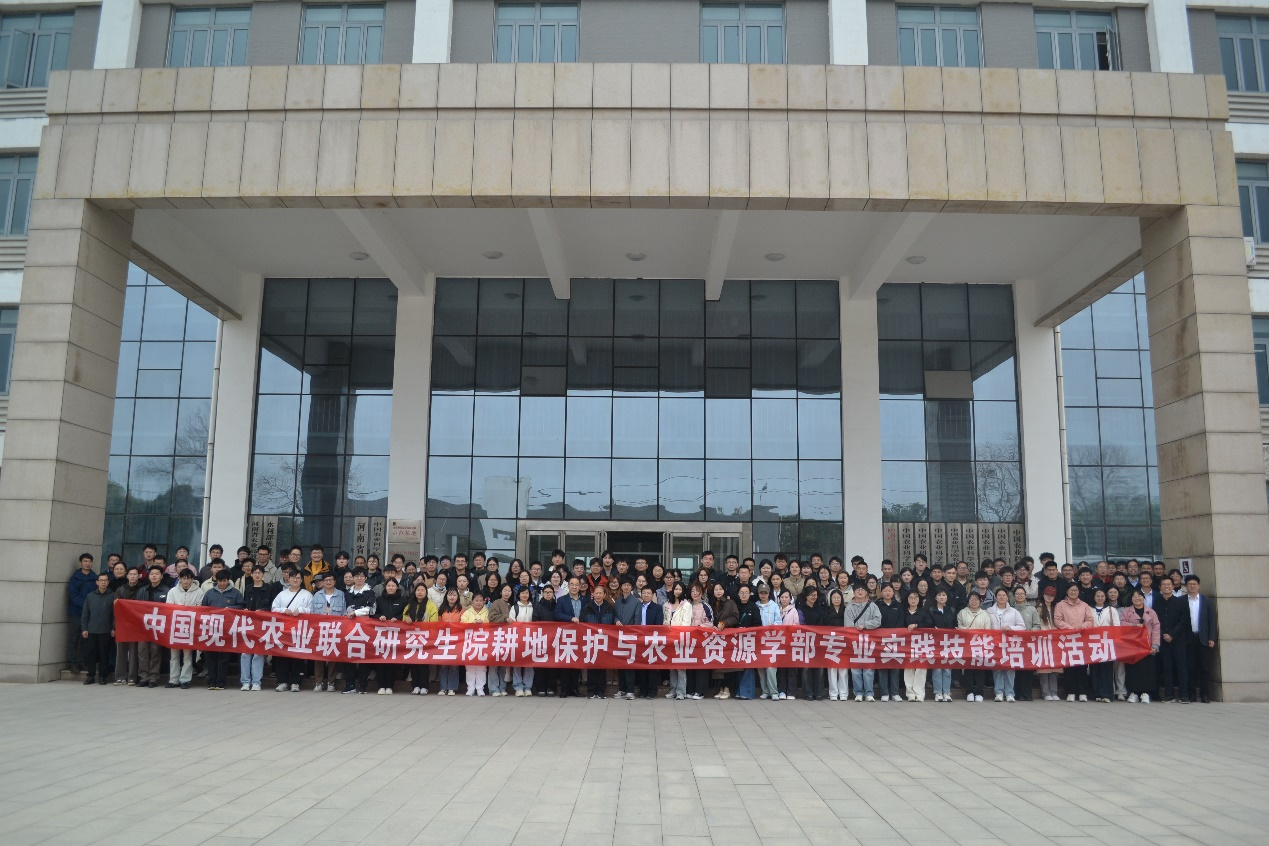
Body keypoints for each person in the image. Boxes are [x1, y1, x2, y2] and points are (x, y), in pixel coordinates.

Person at [200, 570, 244, 691]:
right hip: (211, 629)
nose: (222, 583)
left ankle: (221, 682)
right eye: (220, 581)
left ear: (228, 580)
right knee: (210, 657)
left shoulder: (235, 593)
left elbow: (241, 607)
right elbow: (203, 609)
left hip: (227, 630)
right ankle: (211, 681)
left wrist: (230, 609)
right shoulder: (210, 593)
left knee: (224, 657)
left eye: (225, 581)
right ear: (216, 580)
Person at [270, 571, 311, 692]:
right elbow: (274, 608)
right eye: (293, 577)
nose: (295, 580)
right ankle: (282, 681)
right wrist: (284, 610)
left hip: (299, 630)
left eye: (298, 578)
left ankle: (295, 682)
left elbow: (312, 609)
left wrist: (301, 610)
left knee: (297, 655)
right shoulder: (282, 594)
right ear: (288, 579)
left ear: (302, 580)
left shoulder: (307, 594)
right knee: (282, 656)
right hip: (284, 630)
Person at [1054, 582, 1094, 702]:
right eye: (1071, 590)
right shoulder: (1060, 605)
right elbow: (1057, 620)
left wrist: (1082, 627)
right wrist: (1070, 628)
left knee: (1082, 666)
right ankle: (1070, 692)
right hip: (1068, 638)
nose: (1073, 592)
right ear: (1067, 591)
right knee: (1069, 666)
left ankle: (1082, 692)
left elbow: (1090, 620)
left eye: (1075, 590)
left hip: (1082, 638)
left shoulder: (1084, 605)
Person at [985, 587, 1025, 702]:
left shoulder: (1014, 611)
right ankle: (998, 692)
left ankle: (1009, 693)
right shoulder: (989, 611)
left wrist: (1010, 628)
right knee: (997, 668)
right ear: (995, 597)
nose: (1001, 597)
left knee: (1009, 668)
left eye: (1004, 595)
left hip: (1009, 644)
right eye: (999, 595)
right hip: (995, 644)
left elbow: (1022, 627)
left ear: (1007, 597)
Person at [166, 570, 205, 689]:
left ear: (192, 579)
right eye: (184, 578)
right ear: (179, 578)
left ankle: (185, 679)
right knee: (174, 655)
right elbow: (168, 607)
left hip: (190, 626)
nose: (186, 581)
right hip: (175, 626)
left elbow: (200, 608)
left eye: (189, 578)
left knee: (187, 655)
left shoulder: (199, 592)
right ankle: (173, 679)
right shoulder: (173, 591)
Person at [1120, 590, 1160, 703]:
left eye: (1139, 596)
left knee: (1146, 669)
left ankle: (1145, 693)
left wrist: (1155, 645)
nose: (1137, 598)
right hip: (1132, 645)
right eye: (1134, 596)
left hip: (1147, 645)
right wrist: (1134, 625)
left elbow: (1156, 628)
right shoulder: (1126, 611)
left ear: (1144, 598)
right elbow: (1121, 624)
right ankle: (1133, 692)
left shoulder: (1151, 612)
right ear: (1131, 599)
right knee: (1132, 669)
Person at [342, 566, 377, 694]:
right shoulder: (347, 593)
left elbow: (371, 609)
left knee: (364, 657)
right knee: (348, 657)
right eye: (356, 576)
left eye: (362, 576)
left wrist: (356, 612)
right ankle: (350, 685)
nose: (359, 578)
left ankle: (363, 685)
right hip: (349, 629)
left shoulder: (370, 592)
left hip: (364, 629)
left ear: (366, 578)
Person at [134, 565, 171, 688]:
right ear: (148, 576)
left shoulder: (167, 591)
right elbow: (136, 607)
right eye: (152, 574)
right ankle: (143, 676)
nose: (154, 576)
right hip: (143, 625)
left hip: (158, 625)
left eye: (157, 574)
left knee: (155, 651)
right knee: (142, 651)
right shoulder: (142, 590)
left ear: (161, 576)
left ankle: (153, 677)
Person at [1184, 575, 1218, 703]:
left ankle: (1205, 694)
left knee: (1204, 668)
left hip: (1203, 638)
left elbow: (1212, 621)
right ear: (1186, 586)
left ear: (1199, 586)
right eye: (1189, 584)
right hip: (1188, 638)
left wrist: (1212, 637)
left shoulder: (1206, 601)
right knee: (1190, 667)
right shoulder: (1181, 600)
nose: (1192, 586)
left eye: (1194, 584)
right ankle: (1191, 694)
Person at [843, 584, 880, 702]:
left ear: (866, 592)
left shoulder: (872, 606)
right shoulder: (849, 607)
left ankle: (869, 693)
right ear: (854, 592)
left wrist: (865, 625)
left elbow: (878, 620)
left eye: (862, 590)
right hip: (855, 641)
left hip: (869, 642)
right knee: (855, 669)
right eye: (857, 590)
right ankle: (858, 692)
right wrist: (856, 630)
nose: (860, 591)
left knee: (869, 669)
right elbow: (848, 626)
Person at [402, 581, 438, 695]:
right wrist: (406, 619)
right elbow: (404, 618)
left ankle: (424, 686)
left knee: (423, 663)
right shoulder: (409, 605)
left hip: (425, 638)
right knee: (413, 663)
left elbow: (434, 622)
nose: (420, 592)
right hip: (412, 638)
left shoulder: (431, 605)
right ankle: (415, 685)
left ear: (426, 592)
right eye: (418, 590)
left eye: (422, 590)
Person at [580, 584, 616, 699]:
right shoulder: (587, 607)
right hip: (590, 640)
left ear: (604, 595)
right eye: (596, 593)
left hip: (604, 640)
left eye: (601, 593)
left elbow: (613, 621)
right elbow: (582, 623)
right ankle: (591, 690)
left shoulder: (610, 607)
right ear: (593, 594)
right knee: (591, 665)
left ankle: (601, 691)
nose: (598, 595)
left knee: (602, 665)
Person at [956, 592, 993, 702]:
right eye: (971, 599)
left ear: (980, 602)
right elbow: (959, 626)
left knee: (980, 669)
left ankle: (980, 692)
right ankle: (970, 691)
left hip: (980, 645)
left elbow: (988, 629)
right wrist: (966, 630)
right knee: (968, 668)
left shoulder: (984, 614)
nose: (974, 601)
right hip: (967, 644)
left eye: (976, 599)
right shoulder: (962, 613)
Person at [80, 572, 116, 685]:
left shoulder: (113, 596)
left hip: (106, 630)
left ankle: (103, 676)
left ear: (108, 582)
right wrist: (84, 628)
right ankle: (90, 675)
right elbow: (85, 614)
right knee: (91, 654)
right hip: (92, 630)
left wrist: (113, 628)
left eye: (105, 580)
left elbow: (115, 615)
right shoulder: (90, 596)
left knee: (104, 654)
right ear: (97, 582)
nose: (103, 582)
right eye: (101, 580)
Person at [554, 576, 586, 698]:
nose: (574, 587)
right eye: (572, 584)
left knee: (577, 662)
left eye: (576, 585)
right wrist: (570, 618)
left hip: (580, 635)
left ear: (580, 586)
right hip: (566, 636)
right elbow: (557, 614)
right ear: (568, 586)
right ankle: (564, 689)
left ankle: (574, 688)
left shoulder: (585, 600)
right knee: (565, 663)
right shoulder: (562, 600)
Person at [67, 553, 99, 674]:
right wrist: (86, 605)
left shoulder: (95, 577)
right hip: (76, 612)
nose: (87, 563)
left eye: (89, 561)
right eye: (85, 561)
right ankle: (72, 663)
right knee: (74, 638)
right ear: (81, 563)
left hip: (90, 614)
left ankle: (83, 662)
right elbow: (73, 596)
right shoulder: (75, 578)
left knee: (86, 638)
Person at [374, 579, 406, 694]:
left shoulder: (403, 600)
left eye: (393, 586)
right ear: (385, 587)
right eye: (389, 585)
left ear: (397, 587)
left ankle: (389, 686)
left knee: (392, 661)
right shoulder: (379, 600)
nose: (391, 588)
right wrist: (379, 617)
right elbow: (373, 614)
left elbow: (405, 614)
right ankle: (381, 686)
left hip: (396, 635)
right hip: (381, 634)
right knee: (380, 660)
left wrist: (398, 618)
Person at [112, 567, 143, 685]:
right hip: (122, 624)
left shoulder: (142, 589)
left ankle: (132, 677)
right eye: (131, 574)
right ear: (127, 576)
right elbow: (115, 609)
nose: (133, 576)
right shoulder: (120, 590)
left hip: (136, 624)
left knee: (134, 652)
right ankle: (120, 676)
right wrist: (114, 626)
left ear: (139, 576)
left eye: (135, 574)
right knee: (121, 651)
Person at [709, 582, 739, 699]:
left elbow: (735, 617)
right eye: (716, 589)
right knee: (718, 663)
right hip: (715, 637)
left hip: (728, 637)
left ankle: (727, 689)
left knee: (728, 664)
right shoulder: (711, 603)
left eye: (720, 589)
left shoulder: (730, 603)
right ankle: (720, 688)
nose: (718, 591)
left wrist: (724, 623)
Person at [874, 583, 904, 702]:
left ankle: (895, 693)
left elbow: (901, 621)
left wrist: (895, 633)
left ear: (893, 592)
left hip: (895, 639)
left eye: (890, 591)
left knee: (895, 666)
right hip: (880, 639)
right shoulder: (876, 605)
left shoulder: (898, 606)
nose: (887, 593)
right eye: (885, 591)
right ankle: (884, 693)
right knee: (882, 666)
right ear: (881, 592)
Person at [635, 585, 666, 700]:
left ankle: (652, 690)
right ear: (641, 594)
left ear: (653, 595)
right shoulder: (637, 606)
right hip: (639, 639)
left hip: (652, 639)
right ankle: (643, 690)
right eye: (644, 593)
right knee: (641, 665)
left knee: (652, 666)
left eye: (648, 593)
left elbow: (658, 624)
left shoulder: (657, 608)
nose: (646, 595)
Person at [927, 587, 957, 701]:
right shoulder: (931, 610)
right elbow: (928, 624)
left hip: (948, 643)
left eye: (944, 595)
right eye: (939, 595)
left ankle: (947, 692)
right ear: (935, 597)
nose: (941, 597)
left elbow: (954, 625)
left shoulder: (952, 610)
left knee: (947, 668)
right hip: (935, 643)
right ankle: (938, 692)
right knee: (937, 668)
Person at [1011, 586, 1040, 701]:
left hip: (1028, 643)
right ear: (1014, 596)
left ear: (1025, 595)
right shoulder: (1011, 609)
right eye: (1017, 594)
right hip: (1014, 643)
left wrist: (1034, 630)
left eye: (1021, 594)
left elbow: (1037, 625)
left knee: (1028, 669)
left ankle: (1027, 693)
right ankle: (1017, 694)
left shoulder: (1032, 609)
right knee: (1016, 669)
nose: (1019, 596)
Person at [901, 588, 931, 701]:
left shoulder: (923, 612)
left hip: (921, 644)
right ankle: (910, 693)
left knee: (921, 669)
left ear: (919, 599)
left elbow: (929, 624)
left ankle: (919, 693)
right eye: (911, 598)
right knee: (908, 668)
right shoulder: (903, 612)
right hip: (907, 644)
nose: (913, 600)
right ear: (907, 599)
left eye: (915, 597)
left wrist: (917, 625)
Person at [686, 582, 715, 700]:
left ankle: (700, 691)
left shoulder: (706, 606)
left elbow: (710, 622)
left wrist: (698, 628)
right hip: (689, 640)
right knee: (690, 664)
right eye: (693, 591)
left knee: (701, 665)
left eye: (697, 591)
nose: (695, 593)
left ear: (702, 593)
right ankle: (690, 689)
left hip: (702, 640)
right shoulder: (686, 605)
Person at [613, 579, 641, 700]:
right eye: (624, 585)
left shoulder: (636, 601)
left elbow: (637, 619)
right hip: (619, 636)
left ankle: (630, 690)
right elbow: (614, 615)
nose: (626, 587)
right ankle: (622, 689)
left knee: (629, 664)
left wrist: (633, 632)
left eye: (628, 585)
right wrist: (616, 621)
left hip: (630, 636)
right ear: (621, 586)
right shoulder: (618, 602)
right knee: (620, 663)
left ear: (631, 587)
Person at [485, 582, 514, 696]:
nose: (507, 593)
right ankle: (493, 688)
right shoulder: (497, 603)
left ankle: (502, 687)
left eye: (509, 591)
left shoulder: (512, 604)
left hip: (507, 637)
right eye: (505, 590)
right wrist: (505, 617)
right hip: (496, 636)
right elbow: (491, 617)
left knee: (504, 664)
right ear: (501, 592)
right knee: (494, 664)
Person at [664, 582, 692, 701]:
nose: (678, 591)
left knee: (681, 667)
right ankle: (673, 689)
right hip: (669, 638)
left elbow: (686, 623)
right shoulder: (667, 604)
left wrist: (677, 633)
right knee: (671, 666)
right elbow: (665, 619)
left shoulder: (687, 605)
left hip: (681, 638)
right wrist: (665, 623)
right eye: (676, 589)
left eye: (680, 589)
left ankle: (681, 691)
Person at [508, 585, 537, 696]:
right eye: (522, 593)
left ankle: (528, 687)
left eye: (526, 593)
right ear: (518, 595)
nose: (524, 595)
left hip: (531, 639)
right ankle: (518, 687)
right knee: (517, 663)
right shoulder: (514, 607)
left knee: (529, 664)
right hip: (517, 639)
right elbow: (511, 623)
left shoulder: (533, 607)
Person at [754, 584, 781, 701]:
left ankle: (774, 691)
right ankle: (765, 691)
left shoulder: (774, 606)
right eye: (761, 593)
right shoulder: (755, 606)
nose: (763, 595)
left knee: (771, 667)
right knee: (761, 667)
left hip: (771, 640)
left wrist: (771, 628)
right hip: (758, 640)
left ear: (769, 593)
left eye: (765, 592)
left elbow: (779, 622)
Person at [460, 593, 490, 696]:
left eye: (481, 601)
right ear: (472, 602)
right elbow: (462, 624)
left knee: (482, 667)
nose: (478, 603)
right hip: (470, 642)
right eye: (476, 600)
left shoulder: (487, 612)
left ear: (484, 602)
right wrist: (473, 623)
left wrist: (483, 623)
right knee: (470, 667)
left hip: (483, 643)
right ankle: (470, 688)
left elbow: (492, 625)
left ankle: (480, 688)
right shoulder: (467, 612)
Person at [436, 589, 464, 695]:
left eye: (454, 595)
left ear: (458, 597)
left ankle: (452, 687)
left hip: (456, 639)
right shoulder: (441, 609)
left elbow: (464, 623)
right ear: (446, 596)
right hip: (443, 638)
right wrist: (443, 624)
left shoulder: (462, 609)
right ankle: (443, 687)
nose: (452, 597)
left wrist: (453, 624)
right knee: (443, 664)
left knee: (454, 664)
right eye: (450, 595)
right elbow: (437, 623)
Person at [825, 589, 849, 701]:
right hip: (830, 641)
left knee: (843, 668)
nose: (836, 600)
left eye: (838, 598)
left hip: (843, 641)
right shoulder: (826, 611)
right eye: (834, 598)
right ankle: (833, 693)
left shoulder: (846, 610)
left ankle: (843, 693)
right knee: (832, 668)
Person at [777, 588, 801, 700]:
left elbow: (796, 625)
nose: (784, 599)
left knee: (791, 668)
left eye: (786, 597)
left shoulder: (794, 610)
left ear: (790, 599)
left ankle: (791, 692)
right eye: (782, 597)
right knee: (781, 668)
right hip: (779, 642)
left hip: (791, 642)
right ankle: (782, 691)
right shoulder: (777, 609)